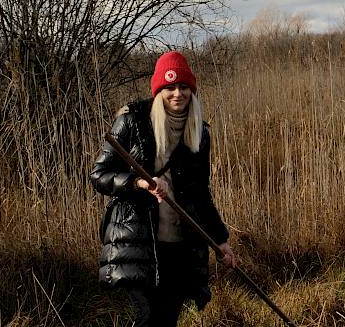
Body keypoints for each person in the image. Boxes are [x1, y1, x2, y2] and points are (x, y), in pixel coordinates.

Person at [90, 50, 236, 326]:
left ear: (191, 90)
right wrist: (139, 183)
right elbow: (99, 175)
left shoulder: (199, 133)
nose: (177, 94)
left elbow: (201, 192)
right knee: (147, 317)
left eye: (183, 87)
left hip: (180, 245)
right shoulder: (132, 121)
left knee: (168, 320)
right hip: (137, 239)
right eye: (169, 87)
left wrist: (221, 239)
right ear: (159, 90)